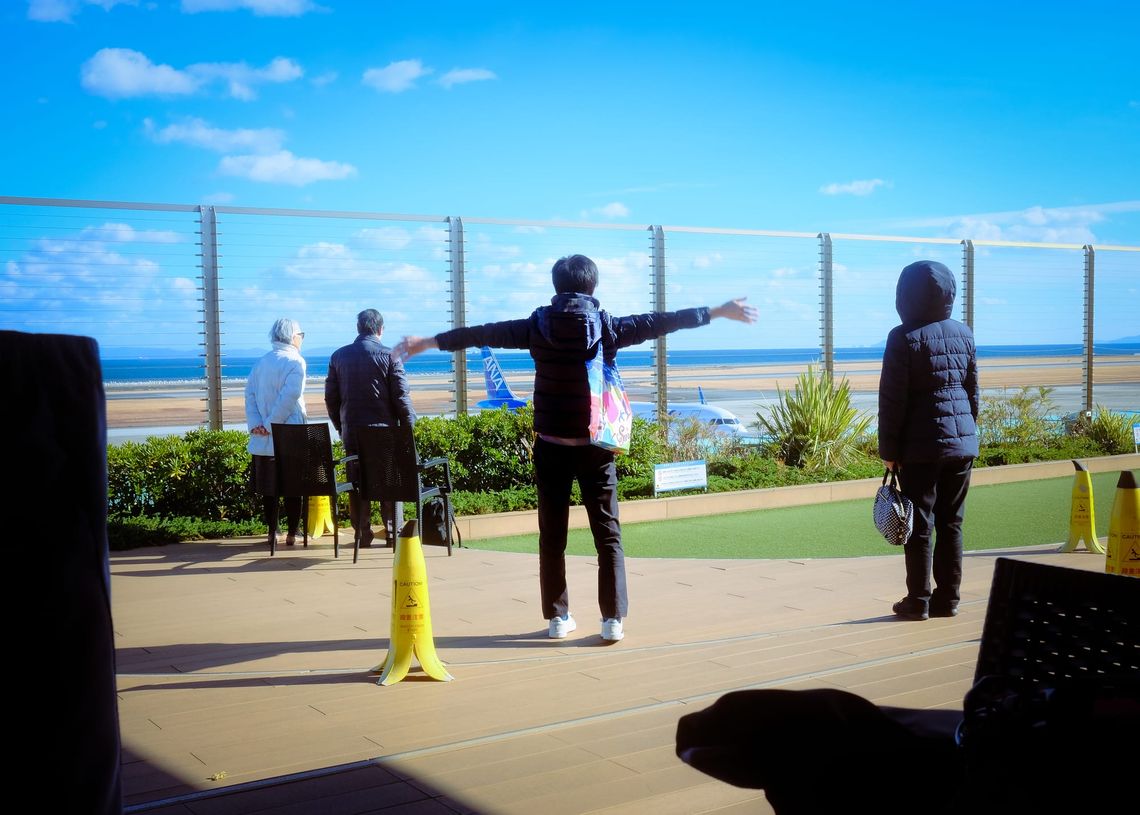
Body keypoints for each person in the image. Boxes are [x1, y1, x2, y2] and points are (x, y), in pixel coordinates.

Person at [397, 254, 757, 642]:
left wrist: (429, 342)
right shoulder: (608, 327)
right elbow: (662, 321)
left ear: (556, 286)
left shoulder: (534, 327)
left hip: (551, 443)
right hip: (596, 445)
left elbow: (482, 333)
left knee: (552, 535)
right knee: (608, 534)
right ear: (593, 286)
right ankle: (613, 620)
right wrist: (718, 311)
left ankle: (557, 617)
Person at [878, 259, 979, 621]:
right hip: (961, 445)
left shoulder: (901, 337)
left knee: (920, 524)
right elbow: (972, 392)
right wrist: (964, 433)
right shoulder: (964, 333)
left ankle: (918, 601)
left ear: (904, 295)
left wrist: (889, 452)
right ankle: (948, 599)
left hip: (919, 448)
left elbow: (892, 400)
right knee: (952, 522)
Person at [325, 308, 416, 547]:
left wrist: (340, 425)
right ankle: (391, 532)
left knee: (356, 484)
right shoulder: (390, 356)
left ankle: (361, 533)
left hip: (352, 433)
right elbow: (401, 396)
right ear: (380, 329)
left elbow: (331, 398)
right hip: (384, 433)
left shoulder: (338, 356)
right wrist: (408, 428)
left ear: (359, 329)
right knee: (389, 483)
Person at [245, 317, 308, 547]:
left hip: (262, 436)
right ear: (293, 336)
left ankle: (272, 532)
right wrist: (273, 424)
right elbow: (290, 397)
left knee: (269, 488)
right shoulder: (296, 362)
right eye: (301, 335)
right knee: (294, 486)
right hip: (289, 433)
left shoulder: (261, 362)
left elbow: (249, 394)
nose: (302, 339)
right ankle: (293, 532)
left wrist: (257, 424)